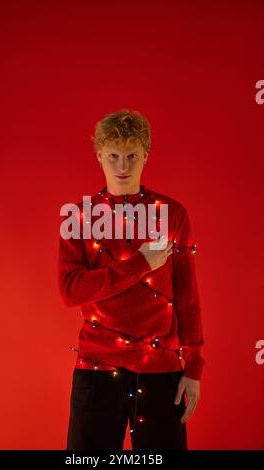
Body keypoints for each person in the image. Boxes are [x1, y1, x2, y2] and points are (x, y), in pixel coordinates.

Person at [58, 109, 205, 450]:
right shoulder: (80, 217)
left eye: (131, 156)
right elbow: (70, 290)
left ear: (145, 155)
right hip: (97, 367)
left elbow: (187, 295)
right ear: (99, 155)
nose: (122, 166)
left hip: (160, 369)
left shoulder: (172, 214)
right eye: (113, 156)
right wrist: (141, 263)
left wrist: (194, 365)